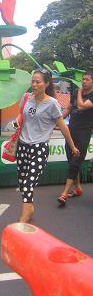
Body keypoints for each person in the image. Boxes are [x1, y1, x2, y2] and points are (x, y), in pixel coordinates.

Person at [15, 69, 80, 223]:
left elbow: (63, 126)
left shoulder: (52, 104)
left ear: (46, 83)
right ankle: (29, 208)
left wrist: (73, 147)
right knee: (23, 181)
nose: (34, 85)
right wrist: (17, 121)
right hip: (23, 147)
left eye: (38, 82)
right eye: (33, 81)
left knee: (29, 183)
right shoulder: (26, 98)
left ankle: (24, 217)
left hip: (39, 149)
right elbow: (20, 115)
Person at [57, 70, 93, 205]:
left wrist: (79, 93)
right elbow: (68, 108)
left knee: (75, 161)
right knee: (71, 160)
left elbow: (81, 106)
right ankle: (77, 188)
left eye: (87, 80)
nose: (83, 81)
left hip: (84, 133)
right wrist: (59, 119)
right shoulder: (76, 93)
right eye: (83, 79)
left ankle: (64, 193)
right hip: (71, 131)